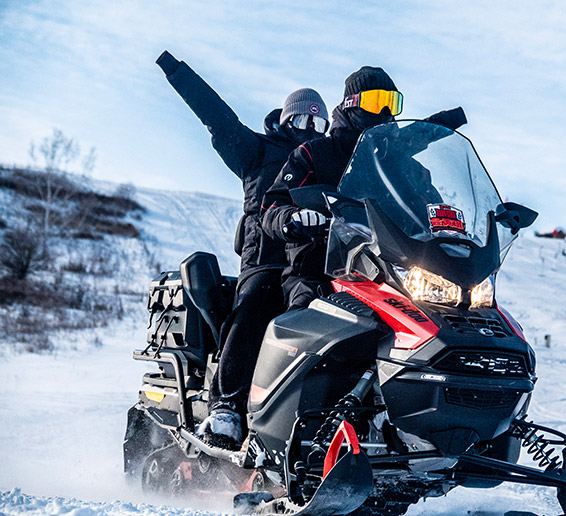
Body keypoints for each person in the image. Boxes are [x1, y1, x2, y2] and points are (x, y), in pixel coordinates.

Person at [155, 50, 330, 450]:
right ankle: (227, 407)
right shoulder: (257, 151)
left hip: (311, 265)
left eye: (319, 123)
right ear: (287, 120)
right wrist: (178, 72)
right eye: (304, 120)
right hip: (266, 262)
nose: (312, 129)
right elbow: (217, 117)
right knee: (255, 304)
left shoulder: (326, 161)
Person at [261, 65, 467, 309]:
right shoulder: (315, 154)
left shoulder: (407, 168)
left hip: (397, 278)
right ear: (352, 104)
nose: (385, 110)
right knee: (304, 317)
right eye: (375, 101)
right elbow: (273, 206)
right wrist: (292, 218)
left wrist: (466, 228)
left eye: (392, 102)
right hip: (323, 272)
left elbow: (431, 210)